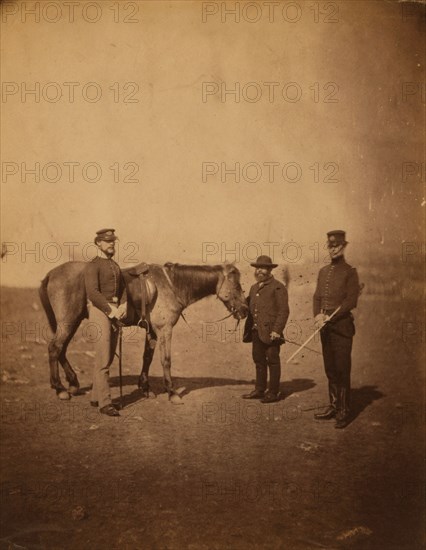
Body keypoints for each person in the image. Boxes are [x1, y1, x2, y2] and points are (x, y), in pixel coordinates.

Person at [313, 230, 360, 429]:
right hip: (325, 327)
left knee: (342, 369)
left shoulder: (350, 272)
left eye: (336, 246)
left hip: (341, 328)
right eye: (330, 246)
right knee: (330, 369)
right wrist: (317, 315)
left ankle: (344, 410)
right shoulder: (323, 271)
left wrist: (330, 316)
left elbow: (351, 301)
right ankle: (333, 405)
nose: (333, 249)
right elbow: (317, 297)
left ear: (343, 246)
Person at [84, 229, 127, 417]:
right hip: (100, 312)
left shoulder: (115, 265)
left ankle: (95, 396)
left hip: (116, 312)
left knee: (107, 356)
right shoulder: (92, 266)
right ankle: (105, 403)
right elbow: (93, 293)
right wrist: (111, 311)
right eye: (107, 241)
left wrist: (124, 304)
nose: (112, 244)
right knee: (103, 359)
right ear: (98, 243)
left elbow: (123, 288)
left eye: (113, 241)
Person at [242, 255, 290, 403]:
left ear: (270, 269)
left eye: (263, 268)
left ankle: (274, 392)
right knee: (258, 360)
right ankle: (260, 389)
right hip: (256, 331)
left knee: (273, 360)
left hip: (271, 333)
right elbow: (248, 308)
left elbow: (284, 311)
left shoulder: (278, 287)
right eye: (257, 268)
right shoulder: (253, 287)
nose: (259, 271)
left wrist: (277, 330)